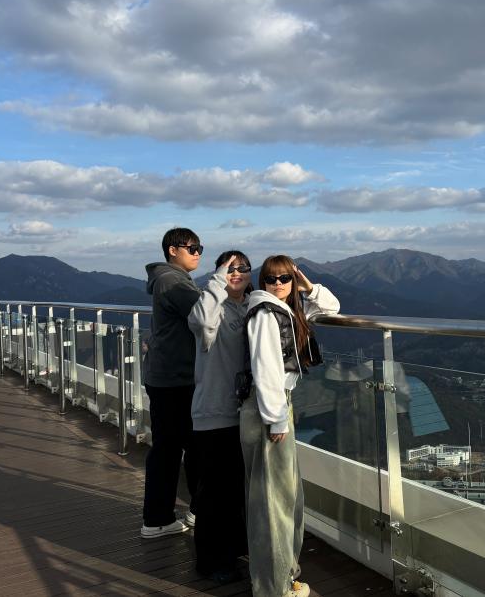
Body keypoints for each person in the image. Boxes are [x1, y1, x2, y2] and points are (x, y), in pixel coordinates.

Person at [242, 255, 340, 597]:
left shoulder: (286, 310)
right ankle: (274, 588)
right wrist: (277, 418)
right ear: (263, 282)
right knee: (274, 503)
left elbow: (331, 307)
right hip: (268, 409)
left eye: (285, 278)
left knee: (281, 497)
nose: (278, 284)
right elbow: (265, 370)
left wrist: (308, 286)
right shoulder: (265, 315)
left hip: (276, 405)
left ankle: (281, 578)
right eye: (271, 278)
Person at [188, 251, 252, 582]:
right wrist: (218, 281)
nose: (235, 273)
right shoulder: (210, 307)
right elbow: (200, 322)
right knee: (214, 494)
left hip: (245, 413)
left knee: (234, 491)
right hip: (214, 413)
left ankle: (232, 553)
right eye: (229, 267)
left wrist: (306, 286)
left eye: (242, 268)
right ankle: (210, 563)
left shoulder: (252, 305)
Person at [140, 228, 203, 539]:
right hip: (175, 379)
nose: (197, 253)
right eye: (192, 247)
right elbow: (206, 314)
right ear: (172, 250)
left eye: (200, 248)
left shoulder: (169, 279)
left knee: (177, 446)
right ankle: (160, 519)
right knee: (177, 448)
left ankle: (169, 515)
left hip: (168, 376)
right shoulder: (172, 281)